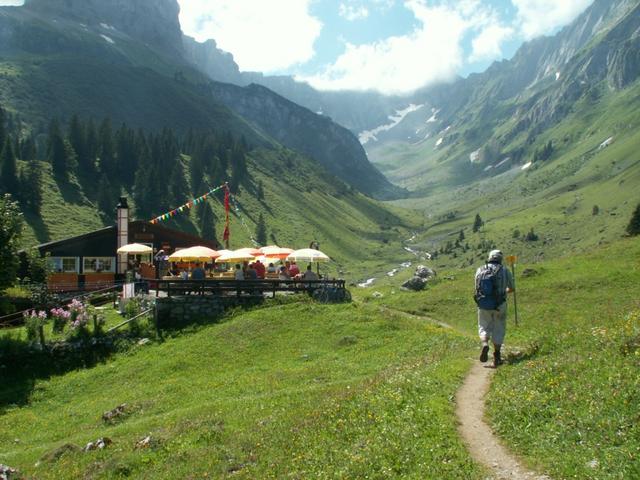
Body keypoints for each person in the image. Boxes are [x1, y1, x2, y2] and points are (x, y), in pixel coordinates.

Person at [474, 249, 514, 367]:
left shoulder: (480, 270)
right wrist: (503, 291)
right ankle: (497, 356)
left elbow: (477, 288)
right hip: (499, 305)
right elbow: (512, 288)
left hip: (483, 304)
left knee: (483, 326)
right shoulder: (505, 271)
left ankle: (485, 344)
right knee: (499, 328)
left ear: (490, 257)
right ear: (500, 259)